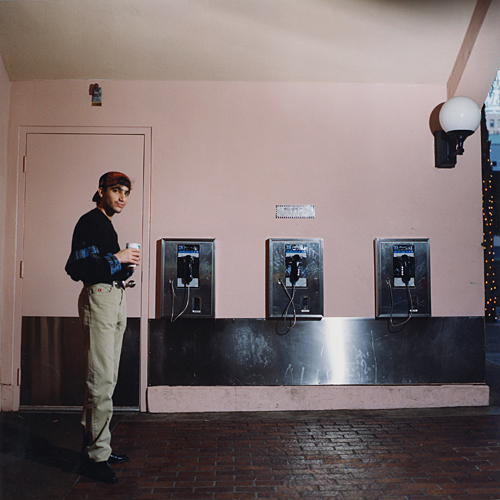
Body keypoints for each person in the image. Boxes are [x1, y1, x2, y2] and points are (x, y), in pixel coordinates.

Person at [65, 172, 140, 484]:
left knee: (106, 380)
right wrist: (117, 257)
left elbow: (99, 263)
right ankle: (97, 456)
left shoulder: (106, 223)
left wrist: (123, 267)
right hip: (100, 299)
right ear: (101, 191)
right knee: (101, 379)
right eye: (116, 191)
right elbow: (76, 267)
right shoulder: (90, 221)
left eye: (126, 192)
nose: (121, 197)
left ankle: (97, 446)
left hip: (115, 297)